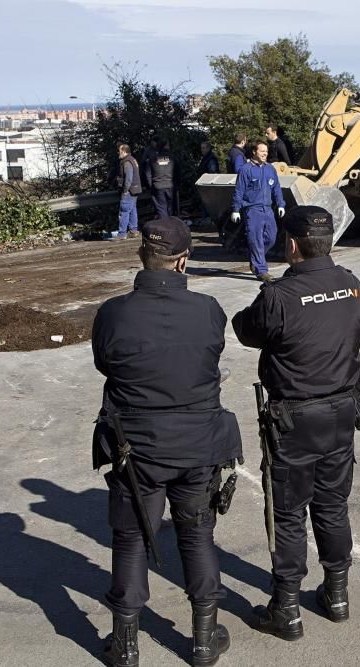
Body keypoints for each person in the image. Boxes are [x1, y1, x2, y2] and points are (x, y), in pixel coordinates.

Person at [91, 216, 242, 666]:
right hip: (198, 445)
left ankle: (125, 644)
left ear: (142, 255)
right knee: (197, 536)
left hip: (134, 449)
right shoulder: (210, 309)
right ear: (183, 261)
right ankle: (202, 638)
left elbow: (106, 365)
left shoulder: (112, 312)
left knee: (132, 537)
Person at [231, 205, 360, 642]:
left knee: (288, 513)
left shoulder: (279, 296)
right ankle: (338, 594)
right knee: (332, 505)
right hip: (343, 412)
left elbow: (246, 331)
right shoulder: (350, 285)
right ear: (328, 243)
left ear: (291, 245)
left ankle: (286, 607)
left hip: (294, 419)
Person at [230, 140, 285, 281]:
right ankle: (261, 271)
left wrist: (280, 204)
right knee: (256, 240)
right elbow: (239, 190)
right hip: (252, 210)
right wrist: (236, 209)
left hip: (267, 209)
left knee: (271, 238)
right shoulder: (245, 170)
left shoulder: (270, 169)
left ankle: (255, 259)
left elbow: (276, 188)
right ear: (254, 151)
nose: (265, 154)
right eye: (262, 151)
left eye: (266, 152)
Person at [144, 137, 179, 218]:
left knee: (161, 208)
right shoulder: (173, 158)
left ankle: (165, 226)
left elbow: (148, 174)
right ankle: (169, 226)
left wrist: (151, 185)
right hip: (170, 185)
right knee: (170, 208)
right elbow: (178, 172)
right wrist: (176, 184)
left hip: (158, 186)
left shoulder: (152, 159)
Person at [115, 143, 142, 239]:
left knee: (124, 211)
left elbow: (128, 178)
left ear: (124, 151)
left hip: (129, 190)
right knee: (132, 210)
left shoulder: (126, 162)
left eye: (119, 150)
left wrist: (125, 190)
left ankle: (122, 233)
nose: (118, 152)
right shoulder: (132, 159)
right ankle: (133, 230)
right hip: (135, 189)